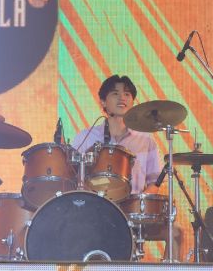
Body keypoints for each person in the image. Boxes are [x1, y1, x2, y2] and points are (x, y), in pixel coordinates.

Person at [72, 74, 184, 261]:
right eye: (115, 93)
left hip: (133, 212)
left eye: (127, 94)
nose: (122, 98)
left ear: (133, 102)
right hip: (96, 212)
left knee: (176, 232)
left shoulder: (146, 140)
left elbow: (154, 181)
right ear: (103, 102)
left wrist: (140, 202)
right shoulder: (86, 137)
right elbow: (72, 175)